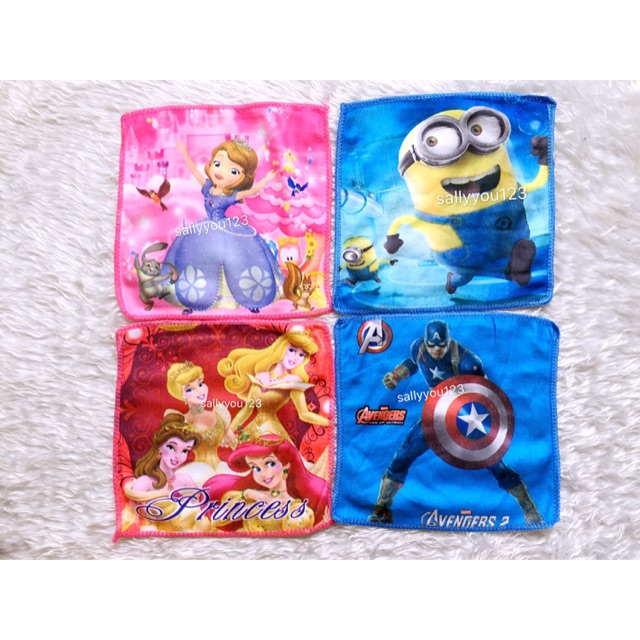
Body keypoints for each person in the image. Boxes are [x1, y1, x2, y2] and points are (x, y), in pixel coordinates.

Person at [369, 320, 543, 525]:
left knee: (495, 463)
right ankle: (382, 508)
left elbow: (486, 395)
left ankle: (530, 510)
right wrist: (396, 375)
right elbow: (414, 362)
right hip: (436, 415)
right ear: (425, 342)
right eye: (431, 345)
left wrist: (480, 422)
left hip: (466, 417)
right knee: (403, 455)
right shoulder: (419, 348)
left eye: (441, 345)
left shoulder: (469, 362)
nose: (436, 350)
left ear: (449, 341)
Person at [163, 138, 284, 312]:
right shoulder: (208, 187)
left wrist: (266, 179)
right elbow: (194, 171)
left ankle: (248, 299)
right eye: (217, 164)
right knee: (193, 254)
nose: (221, 171)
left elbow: (252, 191)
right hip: (206, 229)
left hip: (226, 228)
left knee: (236, 257)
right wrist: (183, 152)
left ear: (242, 178)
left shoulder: (230, 195)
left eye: (234, 171)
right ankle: (192, 299)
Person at [217, 330, 329, 444]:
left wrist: (329, 422)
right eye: (292, 350)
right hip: (253, 429)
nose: (295, 358)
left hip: (273, 432)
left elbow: (304, 414)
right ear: (281, 348)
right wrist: (229, 431)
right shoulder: (260, 377)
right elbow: (247, 409)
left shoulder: (293, 382)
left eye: (301, 355)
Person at [202, 434, 331, 532]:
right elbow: (216, 520)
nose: (263, 473)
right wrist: (247, 494)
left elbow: (297, 543)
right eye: (255, 468)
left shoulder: (297, 509)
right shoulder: (253, 497)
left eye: (270, 463)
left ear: (286, 465)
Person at [166, 360, 236, 477]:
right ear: (182, 396)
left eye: (200, 384)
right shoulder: (181, 421)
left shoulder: (219, 415)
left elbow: (234, 444)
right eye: (189, 389)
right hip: (196, 472)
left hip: (222, 469)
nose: (200, 391)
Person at [130, 413, 201, 497]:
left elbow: (199, 503)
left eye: (185, 451)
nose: (177, 456)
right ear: (160, 446)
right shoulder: (144, 482)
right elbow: (132, 505)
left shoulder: (185, 480)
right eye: (171, 447)